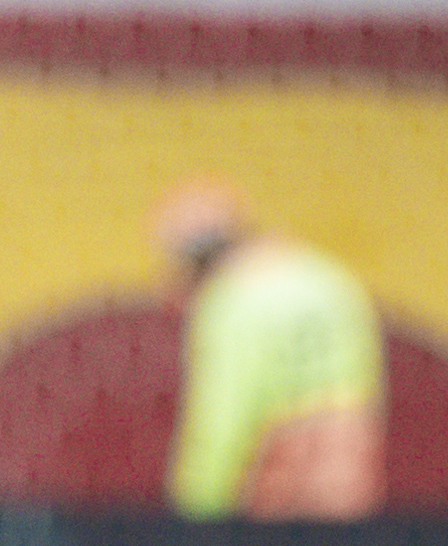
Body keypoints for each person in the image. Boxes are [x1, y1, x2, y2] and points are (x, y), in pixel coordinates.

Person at [158, 180, 385, 521]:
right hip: (347, 465)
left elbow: (226, 411)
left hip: (277, 465)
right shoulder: (328, 278)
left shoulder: (232, 298)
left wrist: (196, 508)